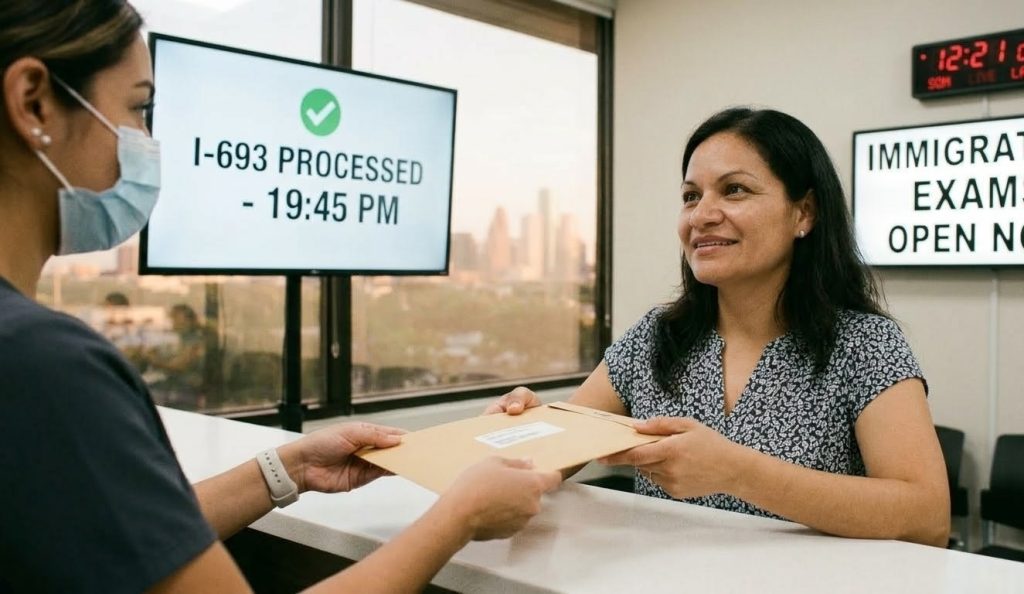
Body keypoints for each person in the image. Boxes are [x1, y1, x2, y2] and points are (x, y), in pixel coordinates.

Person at [0, 2, 561, 592]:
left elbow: (129, 538)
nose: (146, 138)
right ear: (34, 103)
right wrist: (459, 516)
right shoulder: (42, 364)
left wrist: (288, 467)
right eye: (138, 107)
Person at [487, 107, 950, 547]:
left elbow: (927, 519)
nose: (701, 215)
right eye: (691, 196)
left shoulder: (864, 344)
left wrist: (737, 472)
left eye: (734, 190)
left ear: (804, 213)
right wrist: (525, 428)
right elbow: (559, 446)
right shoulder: (656, 337)